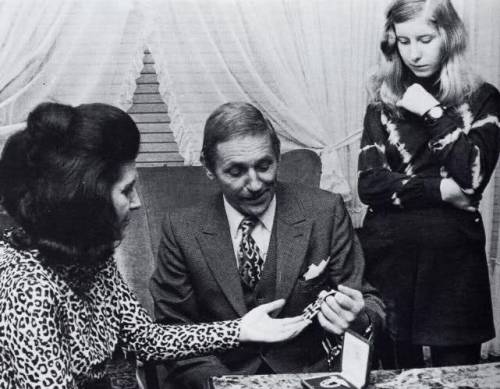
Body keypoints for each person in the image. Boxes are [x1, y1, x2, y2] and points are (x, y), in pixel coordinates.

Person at [0, 102, 310, 388]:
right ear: (87, 201)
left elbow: (146, 338)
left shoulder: (92, 256)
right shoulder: (29, 287)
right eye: (127, 191)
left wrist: (240, 329)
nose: (136, 203)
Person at [150, 101, 385, 389]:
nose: (255, 184)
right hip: (220, 379)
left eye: (264, 166)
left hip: (312, 377)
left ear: (277, 157)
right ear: (209, 168)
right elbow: (174, 333)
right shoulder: (181, 229)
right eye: (235, 172)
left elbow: (370, 304)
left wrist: (358, 317)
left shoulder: (326, 211)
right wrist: (227, 385)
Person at [358, 0, 500, 369]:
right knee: (392, 376)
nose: (414, 53)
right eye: (404, 41)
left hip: (454, 264)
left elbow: (470, 176)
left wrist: (432, 112)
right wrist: (440, 190)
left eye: (425, 39)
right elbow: (370, 184)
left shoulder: (483, 98)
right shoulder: (382, 102)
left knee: (456, 377)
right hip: (390, 259)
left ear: (448, 37)